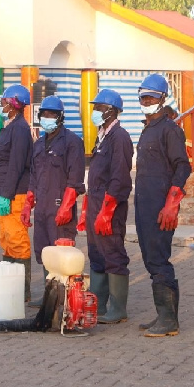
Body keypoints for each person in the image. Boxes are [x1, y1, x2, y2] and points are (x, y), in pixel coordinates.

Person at [135, 74, 191, 337]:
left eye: (152, 97)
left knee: (159, 260)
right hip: (145, 205)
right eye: (144, 97)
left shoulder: (170, 129)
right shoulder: (148, 128)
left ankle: (169, 321)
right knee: (149, 259)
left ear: (162, 99)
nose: (147, 101)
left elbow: (183, 166)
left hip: (160, 207)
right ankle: (163, 314)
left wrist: (171, 204)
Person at [21, 95, 86, 307]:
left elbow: (75, 178)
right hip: (42, 209)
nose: (47, 118)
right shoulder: (38, 144)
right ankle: (49, 296)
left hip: (60, 207)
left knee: (61, 249)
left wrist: (67, 206)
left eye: (51, 115)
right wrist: (28, 202)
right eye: (44, 114)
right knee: (44, 251)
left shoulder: (72, 142)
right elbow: (33, 175)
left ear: (60, 117)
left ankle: (64, 297)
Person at [77, 89, 133, 323]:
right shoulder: (103, 136)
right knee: (97, 253)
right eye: (95, 107)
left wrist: (107, 211)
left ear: (111, 110)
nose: (95, 112)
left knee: (112, 252)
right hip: (96, 203)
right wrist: (88, 209)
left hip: (110, 206)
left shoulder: (119, 137)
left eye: (99, 108)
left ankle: (118, 309)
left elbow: (120, 178)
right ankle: (98, 304)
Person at [0, 84, 34, 302]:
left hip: (15, 194)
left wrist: (6, 194)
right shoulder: (9, 127)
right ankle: (11, 286)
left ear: (15, 104)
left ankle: (22, 291)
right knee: (7, 239)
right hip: (5, 193)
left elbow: (16, 164)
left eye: (5, 102)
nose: (2, 106)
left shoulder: (20, 129)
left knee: (17, 239)